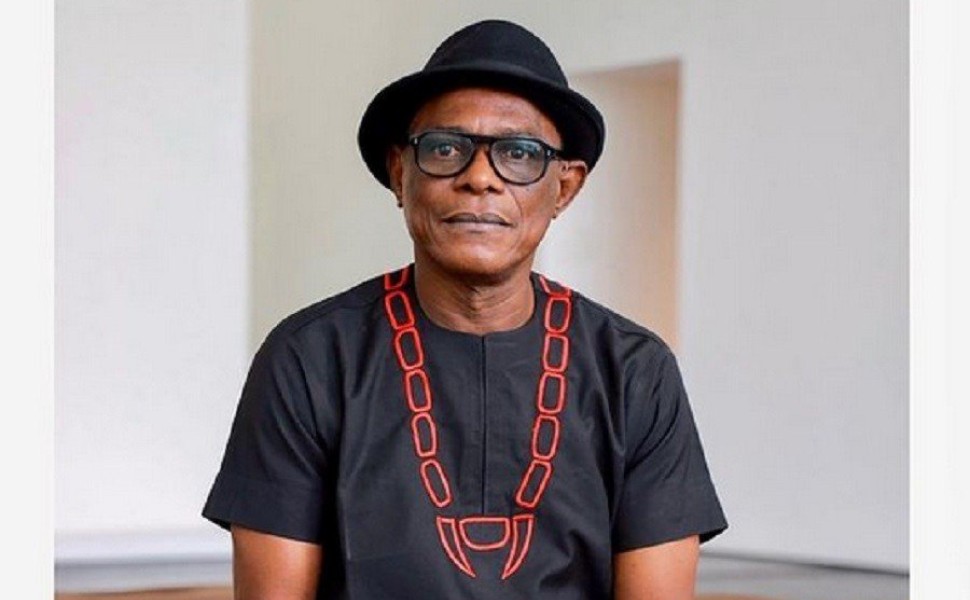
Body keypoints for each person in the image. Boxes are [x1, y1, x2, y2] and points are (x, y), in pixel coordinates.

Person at [203, 19, 727, 600]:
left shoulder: (634, 372)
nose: (479, 178)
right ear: (401, 173)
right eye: (446, 148)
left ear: (565, 188)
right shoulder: (308, 359)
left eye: (520, 153)